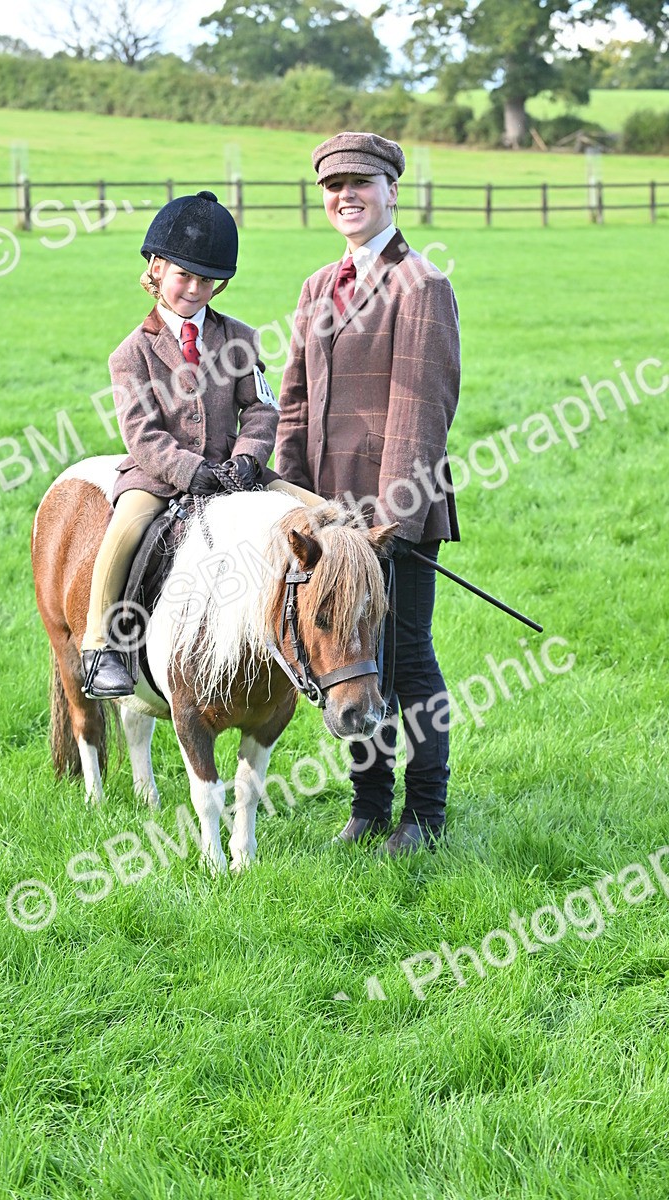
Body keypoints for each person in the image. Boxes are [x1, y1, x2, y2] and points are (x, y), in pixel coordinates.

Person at [275, 132, 461, 857]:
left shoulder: (421, 284)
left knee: (405, 657)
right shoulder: (317, 286)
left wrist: (392, 522)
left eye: (361, 182)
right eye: (333, 186)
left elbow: (423, 410)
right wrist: (286, 497)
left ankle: (426, 815)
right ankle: (367, 806)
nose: (345, 196)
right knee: (348, 659)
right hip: (325, 517)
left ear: (391, 191)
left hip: (393, 517)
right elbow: (294, 399)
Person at [81, 189, 321, 699]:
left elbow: (261, 408)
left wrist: (248, 460)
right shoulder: (131, 354)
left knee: (322, 512)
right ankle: (98, 645)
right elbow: (141, 435)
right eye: (183, 276)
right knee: (125, 528)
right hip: (159, 477)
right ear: (156, 268)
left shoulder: (241, 337)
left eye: (207, 280)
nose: (194, 288)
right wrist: (191, 473)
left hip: (236, 468)